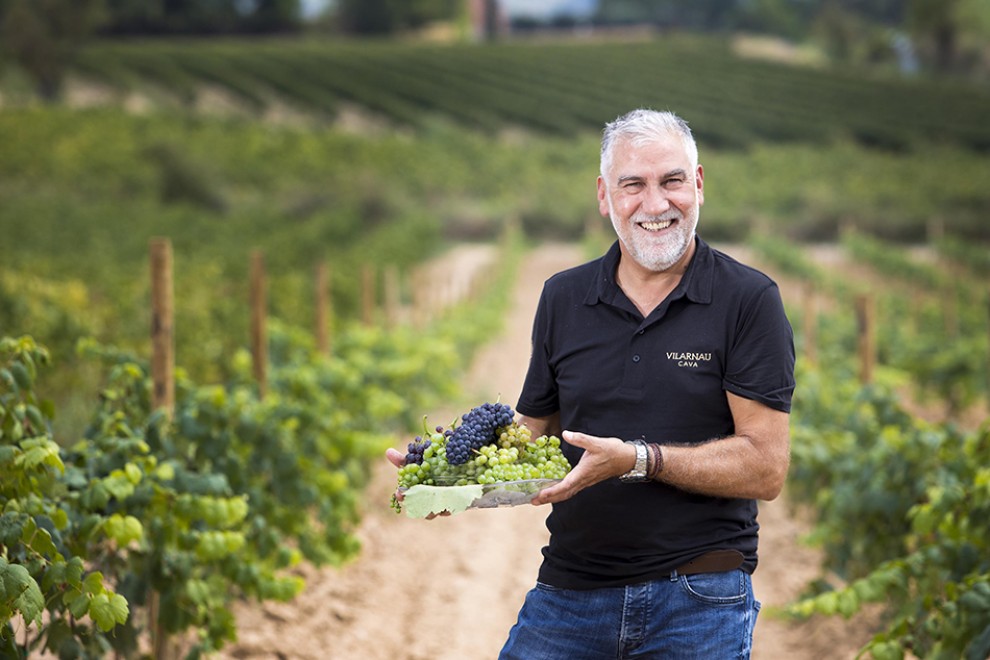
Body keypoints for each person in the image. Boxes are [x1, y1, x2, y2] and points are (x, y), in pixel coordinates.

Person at [390, 108, 795, 659]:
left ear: (698, 185)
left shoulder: (748, 300)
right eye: (633, 185)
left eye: (672, 181)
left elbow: (766, 466)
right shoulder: (563, 297)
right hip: (570, 590)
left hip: (699, 594)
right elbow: (533, 431)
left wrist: (638, 459)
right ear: (605, 196)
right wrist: (453, 477)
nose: (656, 204)